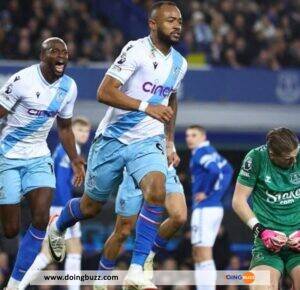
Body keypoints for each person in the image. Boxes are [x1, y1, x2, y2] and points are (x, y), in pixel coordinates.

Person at [47, 1, 187, 289]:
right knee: (90, 207)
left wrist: (170, 139)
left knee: (157, 191)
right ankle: (59, 223)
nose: (177, 25)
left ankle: (137, 267)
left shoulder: (180, 64)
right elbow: (104, 92)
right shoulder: (136, 50)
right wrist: (147, 106)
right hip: (112, 138)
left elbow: (171, 99)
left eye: (180, 21)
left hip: (148, 140)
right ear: (153, 23)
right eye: (170, 20)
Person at [0, 37, 85, 290]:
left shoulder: (69, 87)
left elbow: (65, 127)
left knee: (39, 220)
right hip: (8, 157)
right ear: (43, 55)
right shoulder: (21, 81)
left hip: (39, 157)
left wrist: (75, 160)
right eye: (55, 51)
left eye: (65, 52)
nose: (61, 56)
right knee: (11, 230)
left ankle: (14, 285)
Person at [19, 117, 91, 290]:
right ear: (71, 132)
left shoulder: (64, 149)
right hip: (62, 206)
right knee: (59, 251)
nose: (84, 134)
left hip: (55, 205)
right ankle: (17, 286)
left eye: (86, 131)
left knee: (69, 249)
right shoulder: (70, 150)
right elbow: (59, 183)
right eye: (80, 130)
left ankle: (17, 286)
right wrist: (67, 208)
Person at [96, 163, 187, 289]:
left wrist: (170, 144)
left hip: (165, 164)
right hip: (138, 164)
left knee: (179, 217)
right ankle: (101, 281)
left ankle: (146, 258)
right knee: (122, 232)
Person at [232, 127, 300, 290]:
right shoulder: (256, 158)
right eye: (288, 159)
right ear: (272, 155)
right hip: (267, 241)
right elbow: (238, 200)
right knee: (260, 285)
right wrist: (261, 231)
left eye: (295, 156)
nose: (294, 162)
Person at [186, 125, 233, 290]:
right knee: (200, 254)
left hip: (205, 208)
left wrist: (207, 192)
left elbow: (214, 171)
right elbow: (228, 170)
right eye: (188, 135)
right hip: (214, 208)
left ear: (203, 136)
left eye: (194, 135)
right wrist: (217, 194)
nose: (189, 138)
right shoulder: (211, 151)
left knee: (202, 253)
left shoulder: (201, 152)